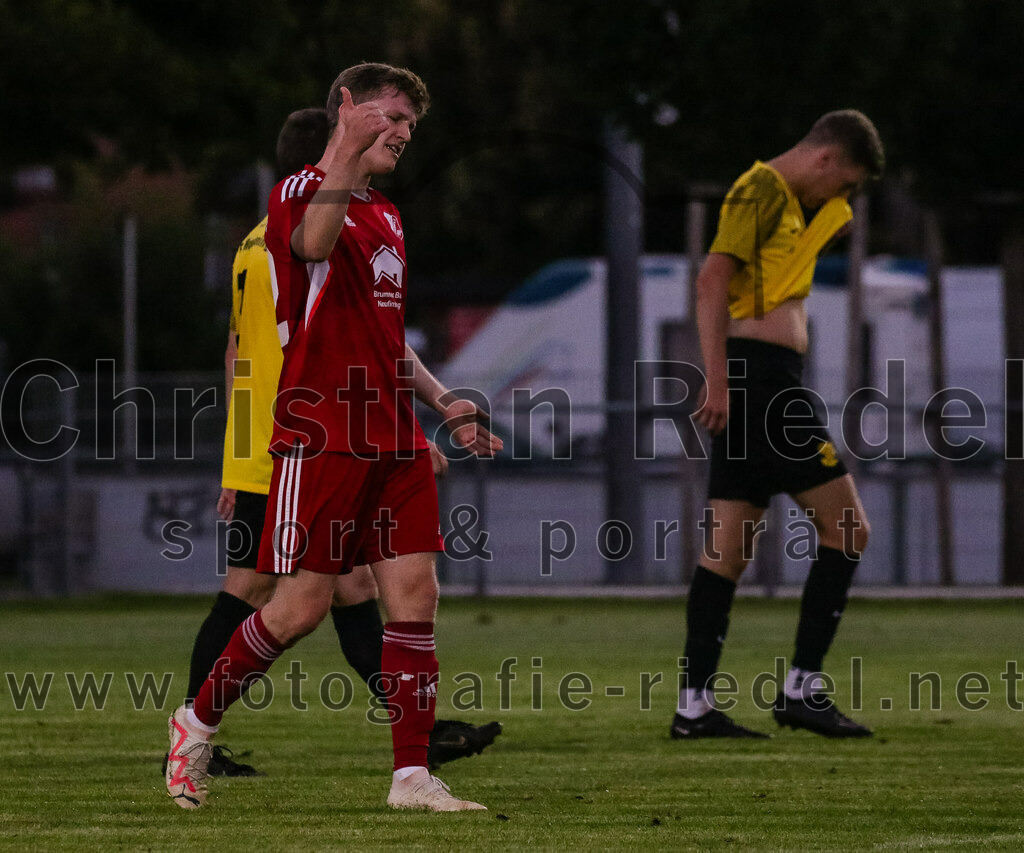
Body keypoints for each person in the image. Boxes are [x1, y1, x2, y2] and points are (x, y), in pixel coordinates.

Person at [166, 63, 503, 812]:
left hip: (394, 435)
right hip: (322, 434)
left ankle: (411, 777)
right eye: (392, 116)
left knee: (415, 597)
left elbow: (389, 338)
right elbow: (315, 245)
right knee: (297, 609)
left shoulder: (388, 215)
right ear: (347, 107)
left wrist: (446, 402)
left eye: (410, 124)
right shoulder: (297, 193)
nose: (404, 133)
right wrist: (347, 150)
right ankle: (197, 722)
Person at [671, 110, 884, 740]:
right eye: (846, 183)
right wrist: (717, 379)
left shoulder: (787, 202)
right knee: (849, 530)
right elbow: (711, 280)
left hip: (759, 379)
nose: (843, 195)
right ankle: (803, 689)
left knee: (727, 551)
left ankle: (693, 707)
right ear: (825, 158)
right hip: (763, 384)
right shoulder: (759, 189)